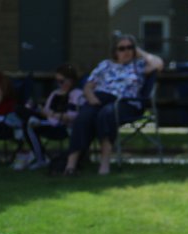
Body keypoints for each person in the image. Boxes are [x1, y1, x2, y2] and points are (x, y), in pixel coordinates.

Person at [63, 34, 163, 176]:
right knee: (84, 117)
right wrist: (91, 97)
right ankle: (70, 165)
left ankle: (104, 165)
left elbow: (159, 63)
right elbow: (88, 86)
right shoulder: (105, 65)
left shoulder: (139, 65)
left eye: (130, 48)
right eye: (122, 48)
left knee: (106, 114)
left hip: (125, 102)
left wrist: (139, 51)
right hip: (99, 99)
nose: (126, 51)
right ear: (114, 51)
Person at [12, 63, 85, 170]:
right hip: (47, 121)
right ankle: (29, 120)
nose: (59, 84)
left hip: (61, 126)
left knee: (28, 125)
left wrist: (52, 114)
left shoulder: (76, 94)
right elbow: (45, 111)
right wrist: (37, 108)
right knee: (20, 109)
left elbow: (72, 116)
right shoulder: (55, 93)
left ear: (70, 80)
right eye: (57, 81)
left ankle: (41, 159)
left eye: (62, 81)